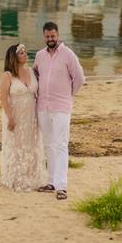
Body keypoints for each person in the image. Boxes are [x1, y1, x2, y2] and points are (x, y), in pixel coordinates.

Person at [32, 21, 85, 200]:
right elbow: (36, 75)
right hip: (43, 107)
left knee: (61, 144)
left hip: (61, 107)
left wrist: (69, 95)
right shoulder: (39, 55)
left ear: (58, 35)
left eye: (53, 36)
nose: (50, 39)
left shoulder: (68, 55)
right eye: (47, 37)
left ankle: (61, 186)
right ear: (44, 36)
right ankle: (52, 181)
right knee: (48, 145)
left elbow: (79, 78)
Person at [0, 43, 43, 191]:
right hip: (15, 115)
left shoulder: (32, 71)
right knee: (16, 144)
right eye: (22, 52)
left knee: (31, 144)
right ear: (14, 57)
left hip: (31, 115)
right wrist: (10, 117)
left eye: (24, 51)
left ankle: (30, 177)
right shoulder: (7, 75)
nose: (25, 54)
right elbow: (3, 98)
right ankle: (15, 178)